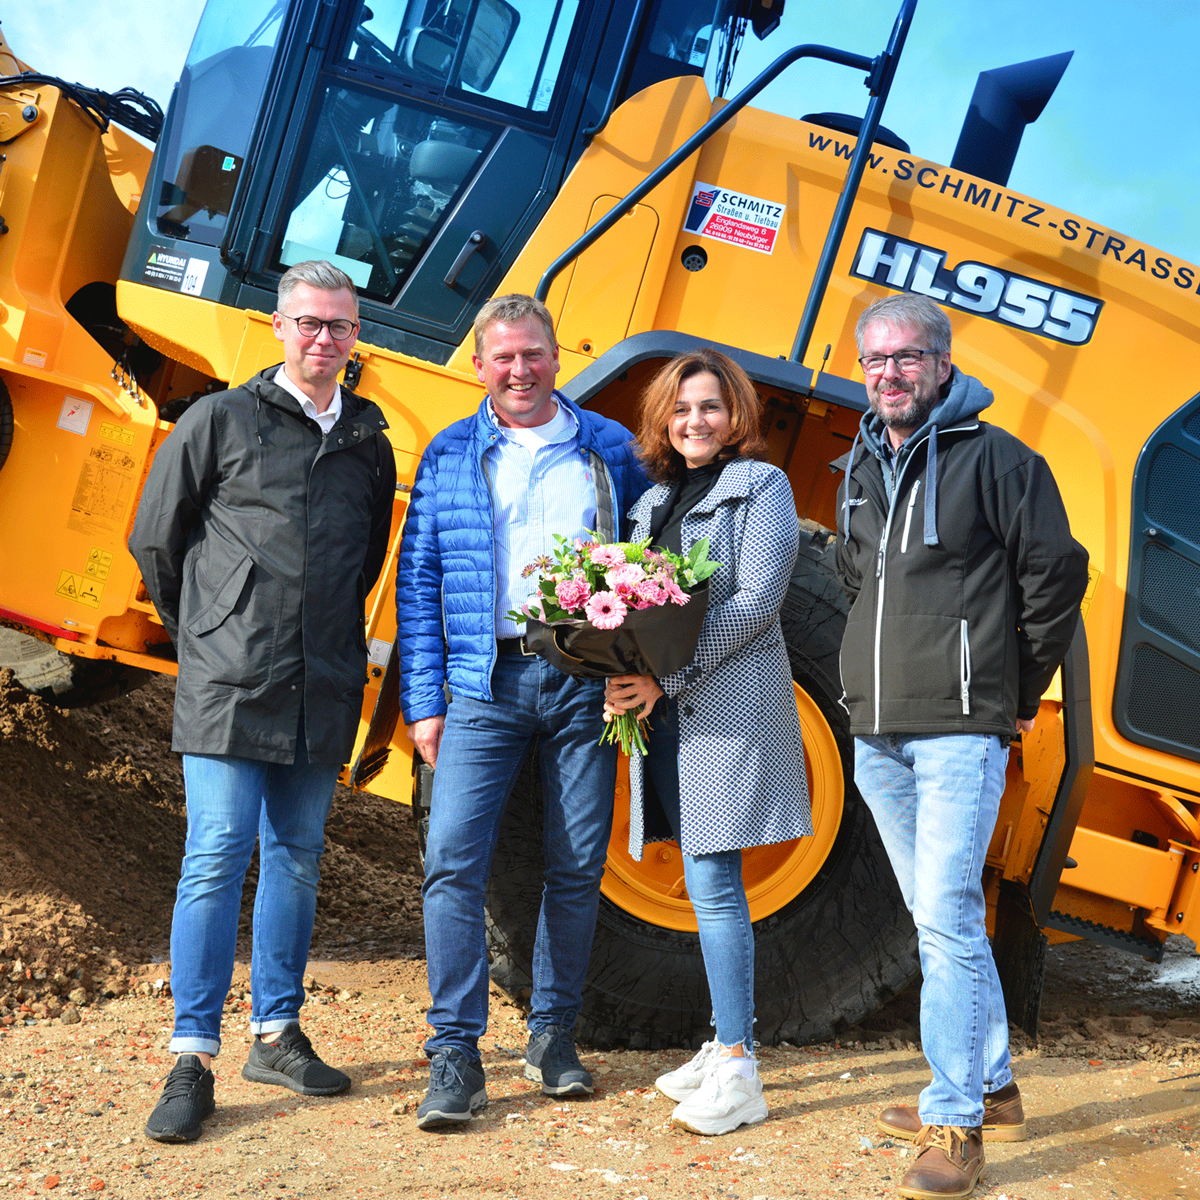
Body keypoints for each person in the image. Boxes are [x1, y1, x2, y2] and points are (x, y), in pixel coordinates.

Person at [129, 261, 396, 1143]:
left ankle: (276, 1033)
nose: (325, 339)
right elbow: (157, 542)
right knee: (215, 854)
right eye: (310, 323)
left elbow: (362, 567)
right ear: (277, 326)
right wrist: (213, 627)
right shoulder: (220, 419)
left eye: (340, 327)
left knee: (297, 858)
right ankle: (191, 1056)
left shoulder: (367, 439)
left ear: (357, 338)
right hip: (230, 680)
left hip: (321, 682)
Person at [835, 293, 1089, 1198]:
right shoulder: (861, 462)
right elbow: (857, 576)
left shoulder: (1000, 462)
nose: (889, 375)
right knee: (936, 919)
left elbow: (1058, 573)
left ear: (942, 365)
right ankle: (990, 1082)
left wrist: (1017, 689)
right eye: (875, 361)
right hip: (877, 731)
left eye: (906, 358)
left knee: (944, 917)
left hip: (959, 731)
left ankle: (956, 1120)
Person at [395, 293, 646, 1130]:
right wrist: (423, 701)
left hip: (583, 684)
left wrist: (636, 668)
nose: (519, 369)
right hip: (482, 683)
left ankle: (552, 1039)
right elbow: (421, 580)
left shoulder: (608, 449)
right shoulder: (451, 452)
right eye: (503, 356)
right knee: (452, 863)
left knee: (575, 868)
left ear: (556, 357)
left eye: (533, 354)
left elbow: (649, 570)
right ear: (480, 366)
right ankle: (456, 1055)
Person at [603, 349, 811, 1136]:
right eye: (683, 407)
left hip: (720, 710)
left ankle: (738, 1066)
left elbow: (759, 602)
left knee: (716, 887)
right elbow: (629, 608)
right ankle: (720, 1040)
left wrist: (661, 676)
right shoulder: (654, 498)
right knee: (698, 882)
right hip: (665, 713)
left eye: (712, 408)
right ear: (663, 416)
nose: (697, 421)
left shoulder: (759, 486)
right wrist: (618, 672)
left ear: (738, 418)